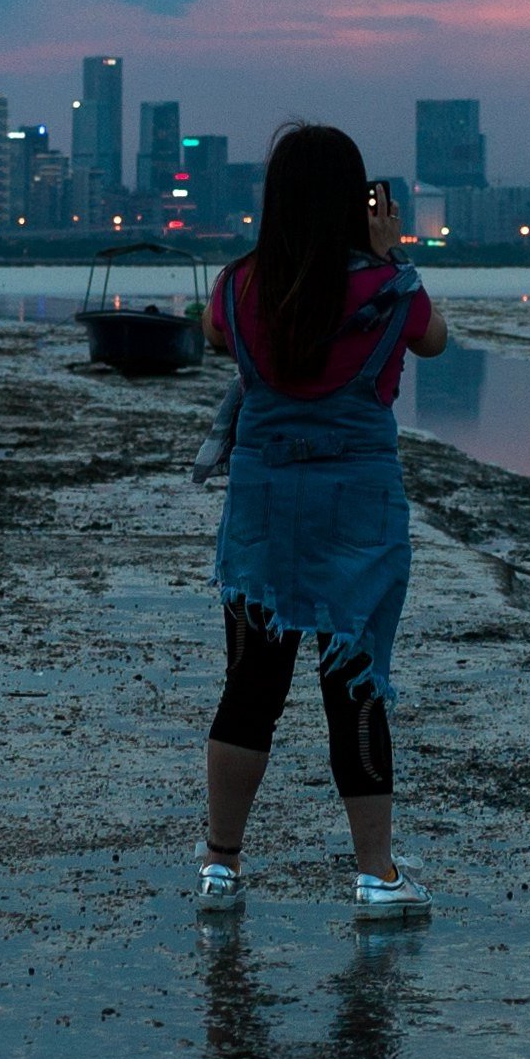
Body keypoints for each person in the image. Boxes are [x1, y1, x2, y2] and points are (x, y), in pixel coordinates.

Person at [193, 120, 448, 921]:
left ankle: (219, 868)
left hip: (264, 505)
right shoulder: (391, 290)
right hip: (358, 512)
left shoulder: (238, 285)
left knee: (250, 687)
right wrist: (385, 256)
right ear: (356, 202)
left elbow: (211, 339)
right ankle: (375, 874)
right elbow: (435, 341)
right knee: (355, 688)